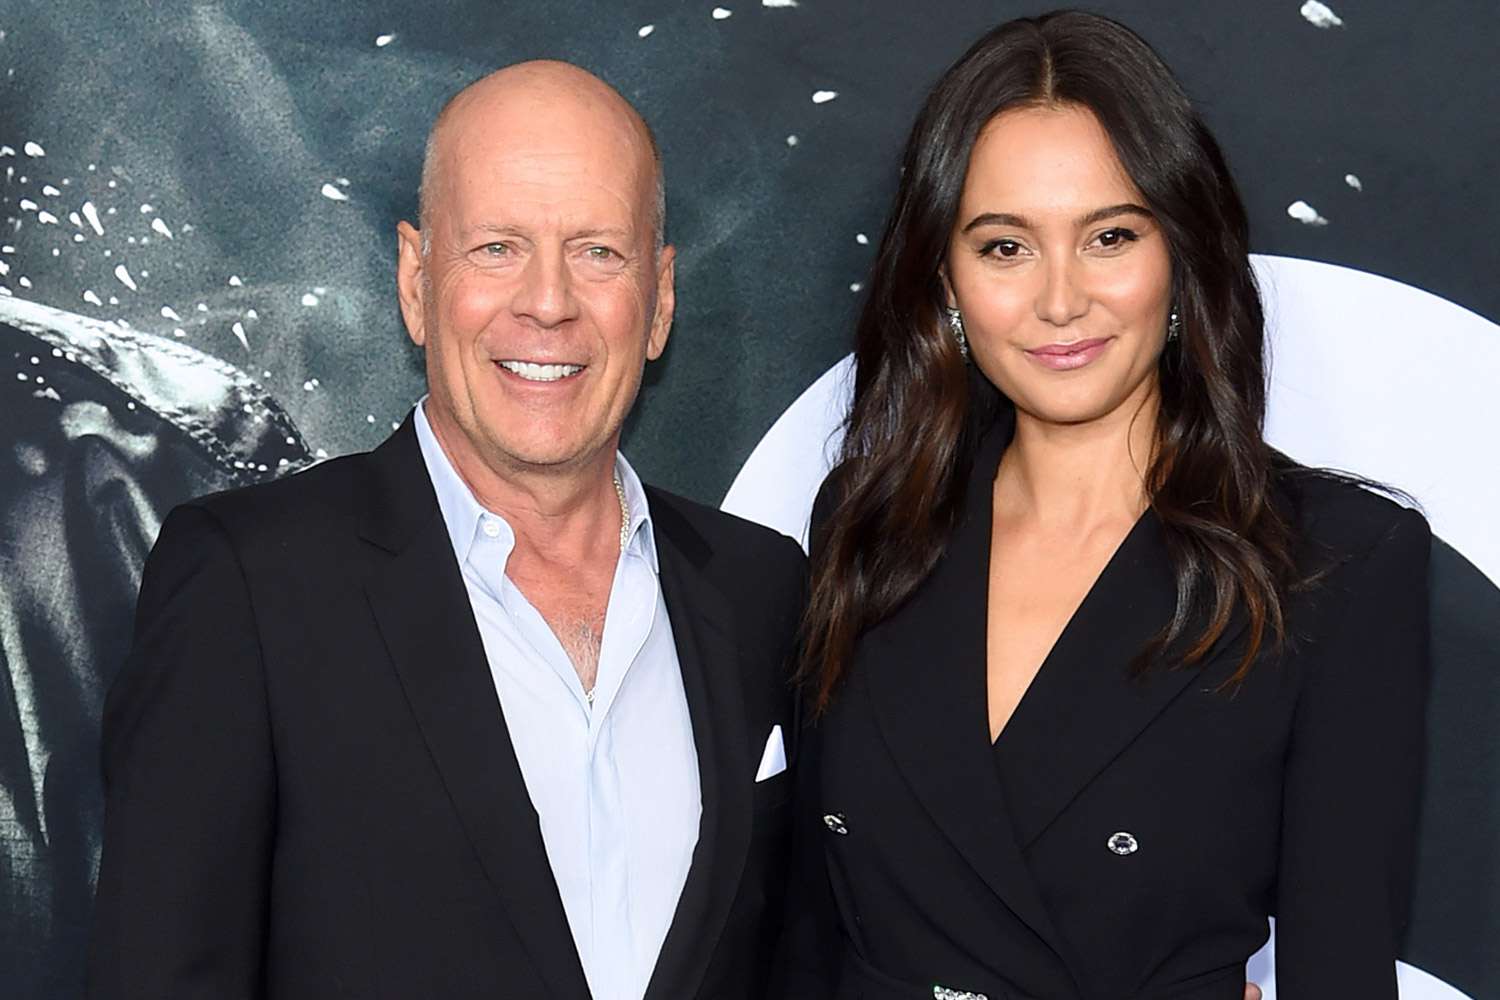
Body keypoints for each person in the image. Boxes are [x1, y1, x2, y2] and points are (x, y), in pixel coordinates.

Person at [86, 61, 806, 1000]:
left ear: (660, 298)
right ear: (417, 280)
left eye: (598, 251)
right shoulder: (249, 585)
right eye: (498, 247)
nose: (547, 302)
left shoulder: (760, 587)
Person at [777, 11, 1428, 1000]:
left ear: (1180, 257)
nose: (1061, 299)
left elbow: (1343, 966)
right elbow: (807, 935)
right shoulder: (866, 528)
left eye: (1110, 236)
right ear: (944, 279)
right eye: (1005, 247)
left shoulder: (1331, 563)